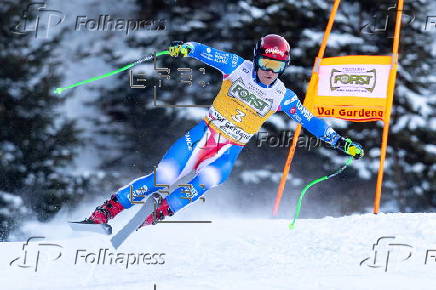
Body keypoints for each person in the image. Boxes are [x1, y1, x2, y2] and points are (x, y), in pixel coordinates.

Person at [84, 34, 364, 228]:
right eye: (266, 63)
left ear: (283, 67)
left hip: (230, 149)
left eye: (277, 66)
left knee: (208, 178)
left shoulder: (283, 96)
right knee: (164, 177)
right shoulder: (236, 67)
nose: (269, 71)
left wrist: (340, 141)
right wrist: (185, 48)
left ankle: (157, 214)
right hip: (203, 135)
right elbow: (204, 52)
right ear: (257, 59)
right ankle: (106, 212)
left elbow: (311, 121)